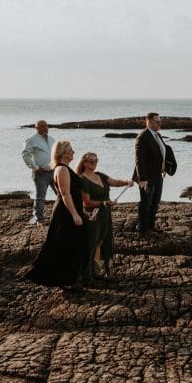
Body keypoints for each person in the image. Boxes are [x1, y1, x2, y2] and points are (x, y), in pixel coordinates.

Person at [23, 140, 87, 291]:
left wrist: (82, 211)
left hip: (71, 210)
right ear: (63, 152)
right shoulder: (62, 169)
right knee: (65, 245)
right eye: (71, 150)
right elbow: (65, 194)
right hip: (65, 212)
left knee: (70, 244)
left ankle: (68, 280)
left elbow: (74, 194)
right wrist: (75, 215)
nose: (73, 152)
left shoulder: (65, 168)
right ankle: (64, 281)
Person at [75, 152, 133, 282]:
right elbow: (86, 202)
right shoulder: (82, 179)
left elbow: (113, 181)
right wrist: (103, 203)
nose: (94, 163)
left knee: (101, 241)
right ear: (84, 162)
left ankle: (97, 270)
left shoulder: (99, 175)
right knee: (91, 243)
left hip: (105, 214)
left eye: (96, 161)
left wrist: (126, 182)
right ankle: (87, 275)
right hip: (92, 215)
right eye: (91, 161)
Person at [133, 112, 169, 235]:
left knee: (155, 202)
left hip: (158, 175)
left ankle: (151, 226)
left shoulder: (157, 135)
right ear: (148, 122)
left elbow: (161, 152)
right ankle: (143, 229)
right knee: (146, 203)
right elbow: (139, 160)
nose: (159, 124)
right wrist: (142, 178)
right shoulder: (142, 136)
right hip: (146, 177)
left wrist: (164, 167)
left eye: (160, 121)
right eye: (157, 121)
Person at [22, 120, 54, 224]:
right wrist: (35, 167)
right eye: (42, 126)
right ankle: (38, 218)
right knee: (41, 197)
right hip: (41, 173)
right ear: (36, 128)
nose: (45, 128)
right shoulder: (32, 140)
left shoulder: (51, 139)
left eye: (46, 126)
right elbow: (25, 154)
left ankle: (62, 215)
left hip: (54, 172)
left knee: (61, 194)